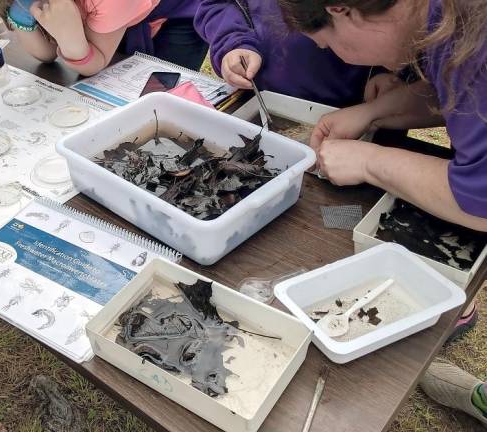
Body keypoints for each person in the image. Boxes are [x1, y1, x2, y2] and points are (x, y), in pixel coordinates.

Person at [275, 0, 487, 425]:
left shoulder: (476, 36)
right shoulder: (445, 17)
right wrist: (372, 112)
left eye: (327, 43)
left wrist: (370, 162)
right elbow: (455, 94)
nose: (332, 55)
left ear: (343, 11)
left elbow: (480, 201)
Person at [193, 0, 374, 108]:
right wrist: (233, 42)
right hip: (254, 97)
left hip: (350, 111)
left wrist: (383, 75)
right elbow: (218, 4)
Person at [0, 0, 208, 76]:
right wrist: (22, 12)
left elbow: (96, 62)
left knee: (164, 88)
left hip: (178, 13)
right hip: (117, 13)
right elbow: (45, 55)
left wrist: (69, 36)